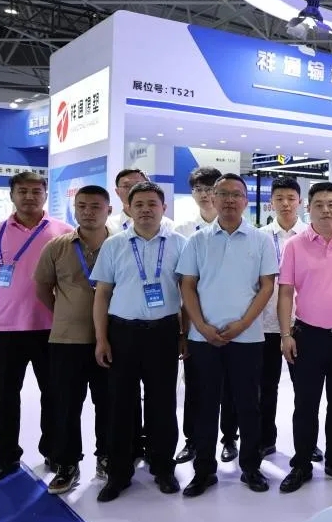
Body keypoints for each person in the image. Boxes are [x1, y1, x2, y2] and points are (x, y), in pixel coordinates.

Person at [177, 173, 278, 496]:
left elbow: (267, 286)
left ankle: (251, 467)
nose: (230, 200)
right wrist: (201, 326)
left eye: (236, 194)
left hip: (247, 338)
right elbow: (187, 285)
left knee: (249, 405)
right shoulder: (197, 240)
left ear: (246, 201)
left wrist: (244, 323)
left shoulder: (261, 239)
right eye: (223, 194)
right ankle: (203, 471)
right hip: (204, 338)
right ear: (213, 198)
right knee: (205, 406)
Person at [90, 182, 186, 502]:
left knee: (163, 404)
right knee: (120, 404)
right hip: (123, 334)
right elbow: (102, 294)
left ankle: (163, 467)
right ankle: (119, 473)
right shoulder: (114, 245)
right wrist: (101, 338)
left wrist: (183, 334)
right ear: (128, 209)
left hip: (163, 334)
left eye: (152, 204)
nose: (146, 209)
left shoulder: (179, 244)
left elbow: (188, 294)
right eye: (139, 204)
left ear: (164, 208)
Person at [277, 182, 332, 492]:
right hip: (308, 337)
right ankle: (301, 463)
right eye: (319, 204)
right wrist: (285, 334)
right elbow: (285, 292)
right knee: (305, 404)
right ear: (309, 208)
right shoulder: (295, 246)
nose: (326, 210)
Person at [0, 171, 72, 484]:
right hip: (5, 329)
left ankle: (53, 451)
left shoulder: (63, 231)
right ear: (12, 195)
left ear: (45, 194)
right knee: (5, 396)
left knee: (53, 394)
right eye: (22, 191)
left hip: (51, 328)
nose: (29, 196)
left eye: (36, 191)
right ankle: (6, 456)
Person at [34, 185, 113, 494]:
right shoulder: (57, 247)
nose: (88, 212)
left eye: (95, 206)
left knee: (109, 403)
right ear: (75, 209)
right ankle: (67, 463)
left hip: (111, 339)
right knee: (66, 405)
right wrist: (64, 314)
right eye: (82, 206)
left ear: (108, 210)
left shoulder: (121, 245)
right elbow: (43, 288)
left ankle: (107, 457)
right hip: (67, 340)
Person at [256, 177, 320, 463]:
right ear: (271, 203)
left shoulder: (311, 235)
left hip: (302, 323)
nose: (285, 204)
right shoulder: (259, 237)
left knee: (306, 390)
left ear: (300, 202)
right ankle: (265, 439)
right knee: (265, 387)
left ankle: (308, 443)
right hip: (266, 323)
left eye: (291, 198)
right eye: (279, 198)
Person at [172, 166, 226, 465]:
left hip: (230, 320)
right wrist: (185, 327)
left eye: (210, 189)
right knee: (195, 385)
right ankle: (192, 440)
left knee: (230, 387)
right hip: (193, 320)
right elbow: (182, 283)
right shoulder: (181, 231)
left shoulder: (236, 226)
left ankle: (229, 438)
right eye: (198, 189)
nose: (204, 195)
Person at [107, 168, 175, 233]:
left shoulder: (168, 226)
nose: (132, 189)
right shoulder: (108, 225)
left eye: (138, 185)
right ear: (117, 192)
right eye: (126, 186)